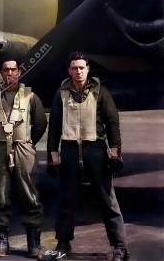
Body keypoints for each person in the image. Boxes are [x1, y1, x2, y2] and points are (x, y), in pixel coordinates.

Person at [47, 52, 128, 261]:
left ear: (88, 69)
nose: (78, 71)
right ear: (69, 70)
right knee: (67, 199)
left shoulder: (100, 91)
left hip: (96, 150)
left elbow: (112, 122)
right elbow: (54, 125)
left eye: (82, 67)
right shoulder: (61, 93)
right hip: (70, 150)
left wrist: (115, 151)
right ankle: (64, 243)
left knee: (107, 198)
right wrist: (52, 153)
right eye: (74, 68)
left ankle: (120, 246)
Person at [0, 59, 47, 258]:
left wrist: (26, 144)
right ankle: (1, 240)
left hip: (23, 147)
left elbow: (40, 123)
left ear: (19, 72)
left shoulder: (30, 96)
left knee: (29, 194)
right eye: (6, 69)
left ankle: (34, 242)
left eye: (13, 69)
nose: (10, 73)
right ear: (1, 73)